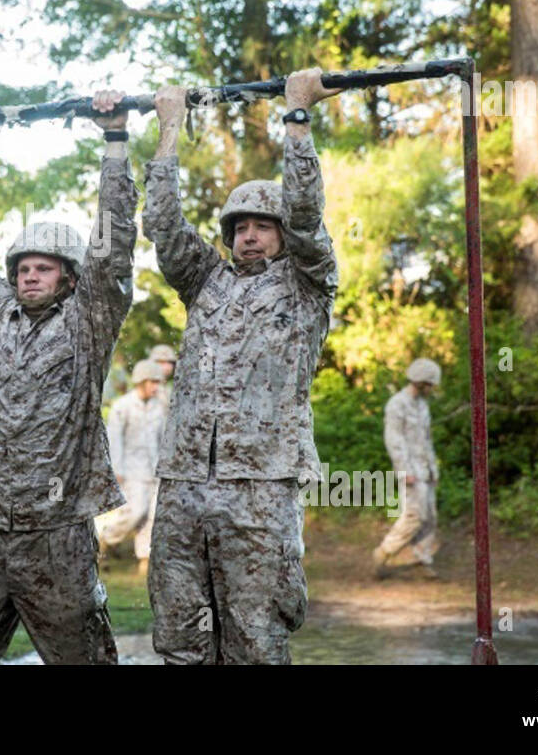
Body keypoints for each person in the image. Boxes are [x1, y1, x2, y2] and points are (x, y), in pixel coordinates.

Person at [0, 88, 136, 665]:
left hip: (57, 535)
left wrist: (114, 142)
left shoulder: (89, 321)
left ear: (68, 278)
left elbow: (112, 247)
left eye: (44, 268)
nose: (29, 276)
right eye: (22, 268)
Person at [143, 70, 340, 665]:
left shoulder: (308, 283)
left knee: (255, 635)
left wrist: (298, 117)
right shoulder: (207, 282)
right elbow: (164, 227)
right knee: (180, 631)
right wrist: (170, 130)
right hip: (183, 482)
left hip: (260, 486)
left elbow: (306, 217)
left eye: (263, 226)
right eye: (240, 228)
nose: (250, 237)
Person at [96, 359, 167, 575]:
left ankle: (145, 559)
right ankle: (106, 539)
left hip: (153, 469)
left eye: (158, 382)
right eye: (152, 382)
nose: (156, 386)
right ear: (141, 381)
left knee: (152, 516)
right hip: (130, 469)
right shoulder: (122, 406)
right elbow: (114, 439)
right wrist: (116, 469)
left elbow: (162, 439)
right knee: (137, 513)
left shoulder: (159, 408)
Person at [373, 358, 442, 580]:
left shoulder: (422, 405)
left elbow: (427, 439)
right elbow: (394, 440)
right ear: (421, 381)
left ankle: (423, 559)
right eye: (430, 384)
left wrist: (433, 469)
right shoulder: (397, 404)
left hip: (425, 470)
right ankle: (384, 552)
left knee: (430, 516)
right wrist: (404, 470)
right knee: (414, 515)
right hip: (410, 471)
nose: (432, 388)